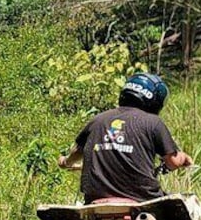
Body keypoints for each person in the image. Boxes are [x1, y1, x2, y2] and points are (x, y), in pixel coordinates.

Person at [58, 72, 193, 204]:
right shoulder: (153, 122)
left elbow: (77, 151)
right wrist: (184, 158)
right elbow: (173, 162)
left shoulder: (97, 120)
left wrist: (66, 162)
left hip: (95, 199)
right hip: (142, 198)